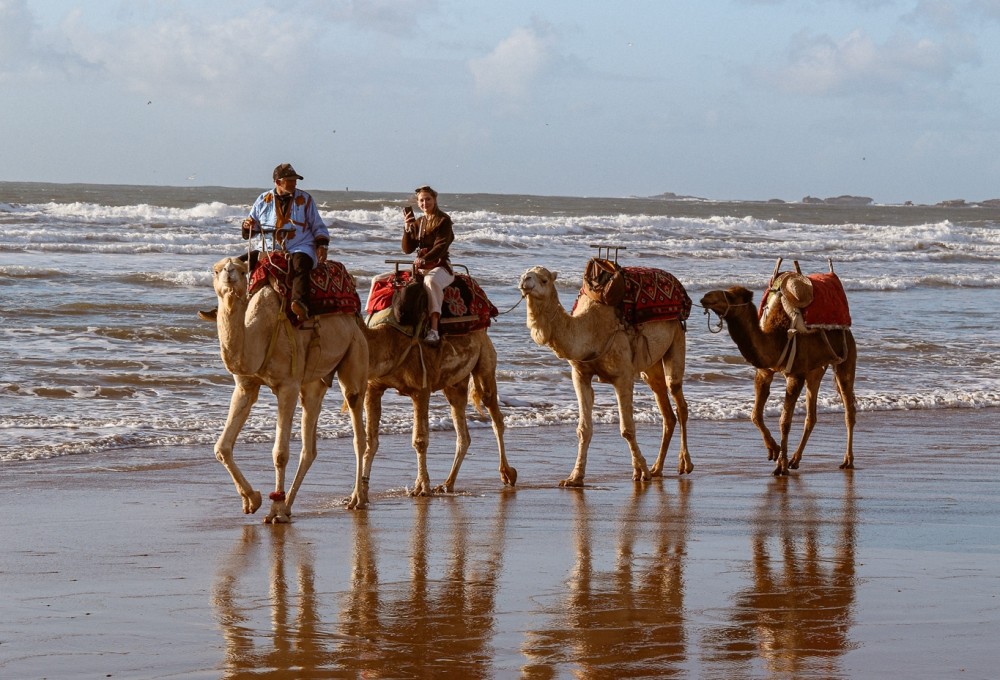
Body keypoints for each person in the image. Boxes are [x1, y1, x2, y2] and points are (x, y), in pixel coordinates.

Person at [200, 163, 329, 322]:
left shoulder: (306, 200)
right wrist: (247, 226)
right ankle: (222, 307)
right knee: (234, 266)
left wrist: (322, 245)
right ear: (277, 182)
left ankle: (300, 303)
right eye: (289, 180)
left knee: (300, 264)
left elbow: (318, 225)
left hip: (300, 246)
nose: (294, 183)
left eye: (295, 180)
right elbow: (251, 227)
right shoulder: (263, 199)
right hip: (269, 248)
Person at [402, 185, 454, 346]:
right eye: (421, 200)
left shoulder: (443, 221)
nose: (425, 203)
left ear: (435, 200)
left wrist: (424, 258)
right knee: (381, 280)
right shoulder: (419, 222)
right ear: (418, 203)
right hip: (421, 267)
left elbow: (441, 246)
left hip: (441, 267)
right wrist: (407, 229)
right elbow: (407, 249)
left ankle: (434, 330)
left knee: (430, 282)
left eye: (428, 199)